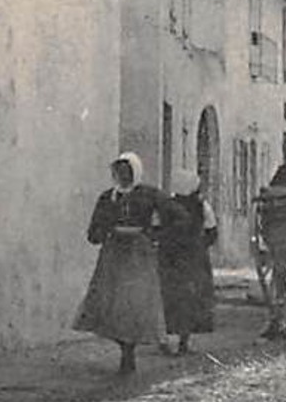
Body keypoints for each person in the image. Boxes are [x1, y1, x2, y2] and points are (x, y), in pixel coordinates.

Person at [73, 152, 170, 374]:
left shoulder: (149, 195)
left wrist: (155, 236)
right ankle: (124, 349)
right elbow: (93, 232)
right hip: (114, 256)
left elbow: (173, 217)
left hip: (139, 256)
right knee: (113, 305)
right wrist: (106, 230)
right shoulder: (108, 198)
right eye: (119, 172)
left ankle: (129, 352)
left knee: (134, 303)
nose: (123, 176)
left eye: (127, 172)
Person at [156, 169, 217, 356]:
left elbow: (156, 228)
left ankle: (166, 340)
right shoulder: (201, 206)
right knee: (190, 298)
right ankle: (183, 341)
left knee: (171, 296)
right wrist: (199, 246)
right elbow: (212, 231)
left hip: (170, 256)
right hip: (192, 257)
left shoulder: (165, 206)